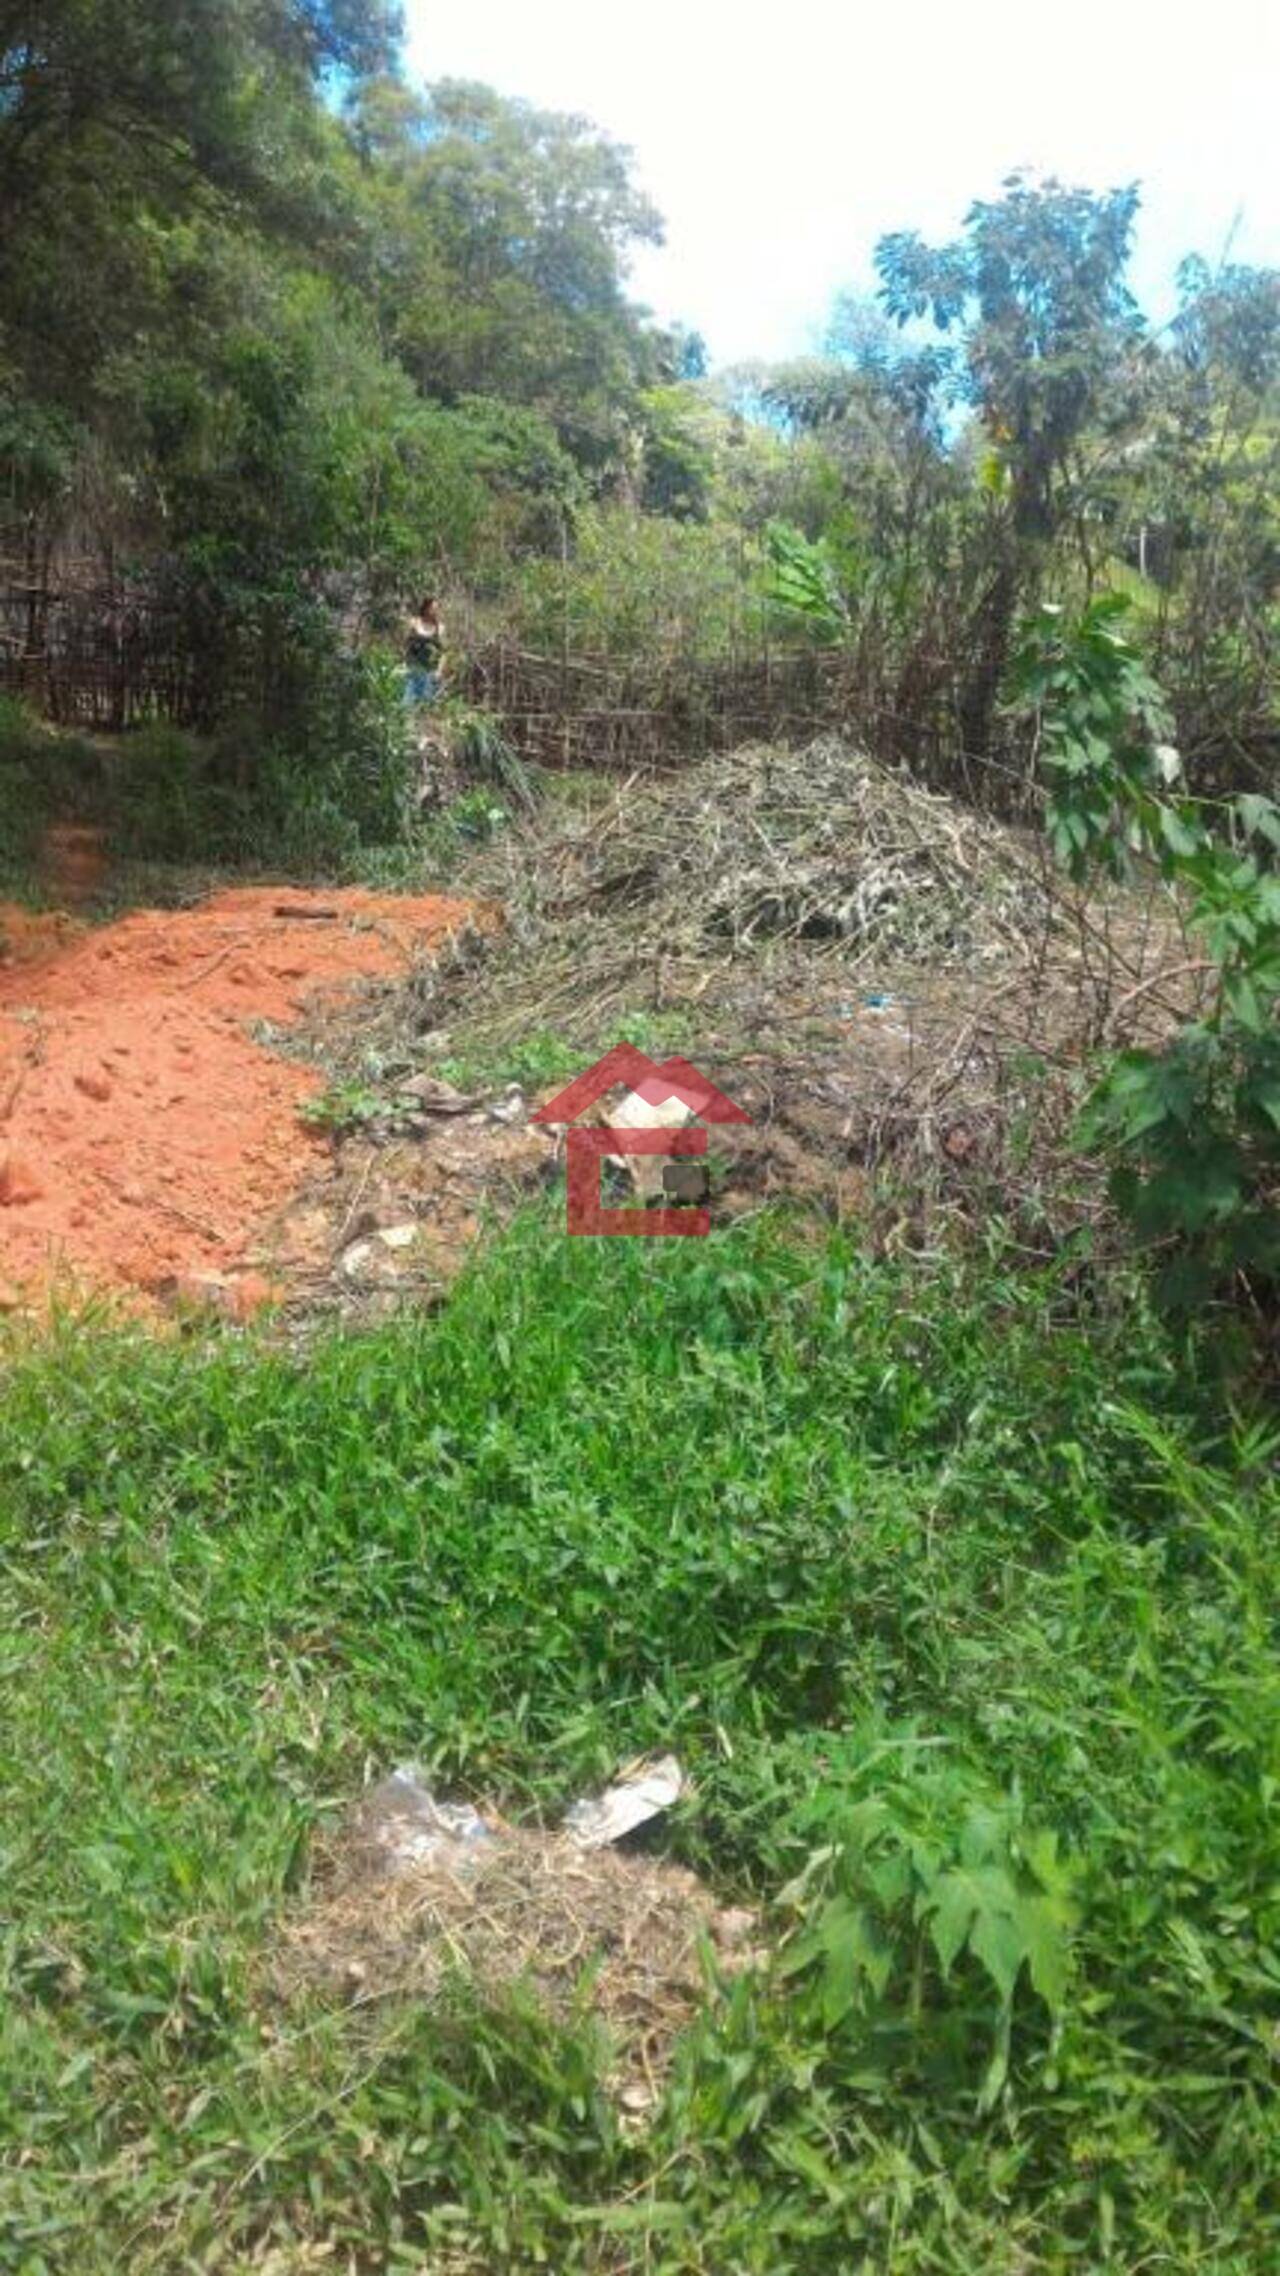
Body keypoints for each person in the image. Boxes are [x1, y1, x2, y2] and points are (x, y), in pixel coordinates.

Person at [404, 593, 444, 709]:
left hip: (430, 670)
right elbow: (406, 644)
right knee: (408, 702)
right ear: (426, 608)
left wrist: (439, 671)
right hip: (414, 667)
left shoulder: (440, 628)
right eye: (433, 608)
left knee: (426, 704)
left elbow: (443, 652)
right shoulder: (414, 623)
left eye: (437, 609)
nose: (435, 611)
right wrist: (404, 662)